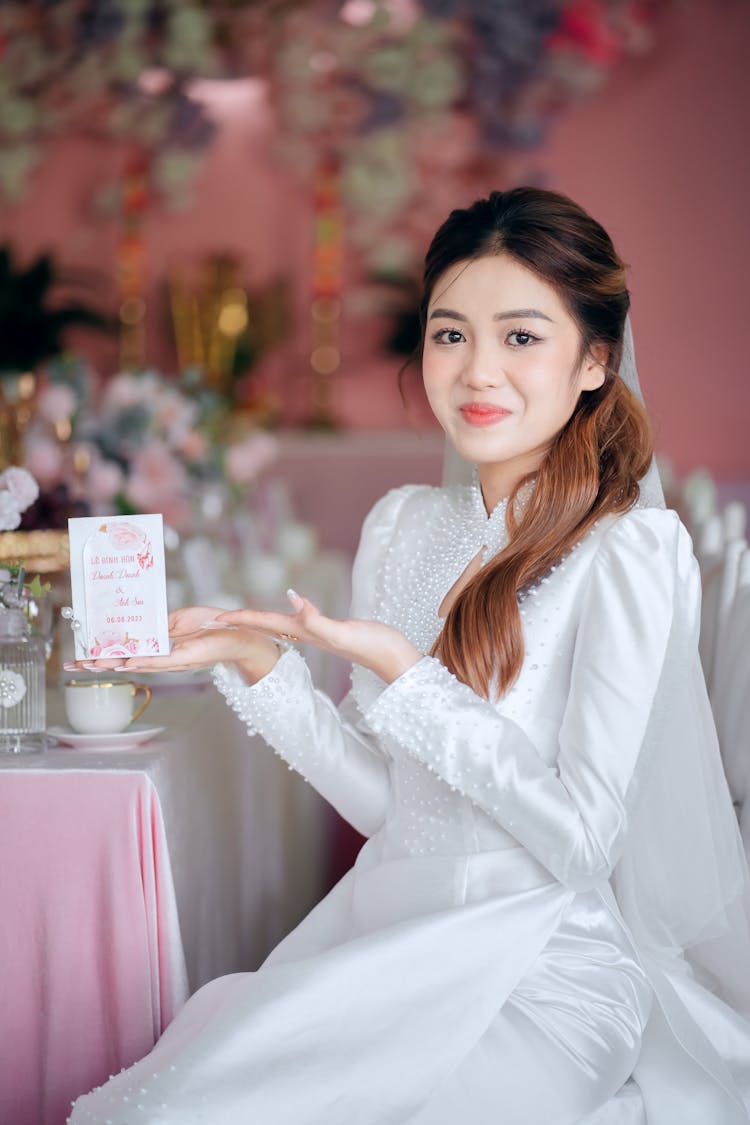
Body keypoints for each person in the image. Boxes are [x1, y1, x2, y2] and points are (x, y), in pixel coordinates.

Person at [69, 187, 750, 1125]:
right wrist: (252, 661)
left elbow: (586, 840)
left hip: (543, 967)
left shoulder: (627, 547)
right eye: (449, 334)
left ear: (594, 360)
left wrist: (412, 677)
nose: (477, 371)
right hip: (388, 933)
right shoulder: (399, 526)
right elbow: (389, 805)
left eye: (521, 337)